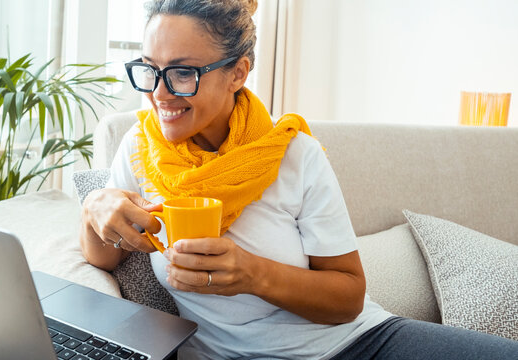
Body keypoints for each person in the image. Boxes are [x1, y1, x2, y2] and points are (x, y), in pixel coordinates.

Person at [80, 0, 518, 358]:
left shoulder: (292, 154)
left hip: (359, 344)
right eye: (149, 69)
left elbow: (347, 298)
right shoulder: (141, 149)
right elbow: (103, 259)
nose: (158, 93)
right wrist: (94, 208)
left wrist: (251, 274)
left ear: (238, 72)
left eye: (182, 73)